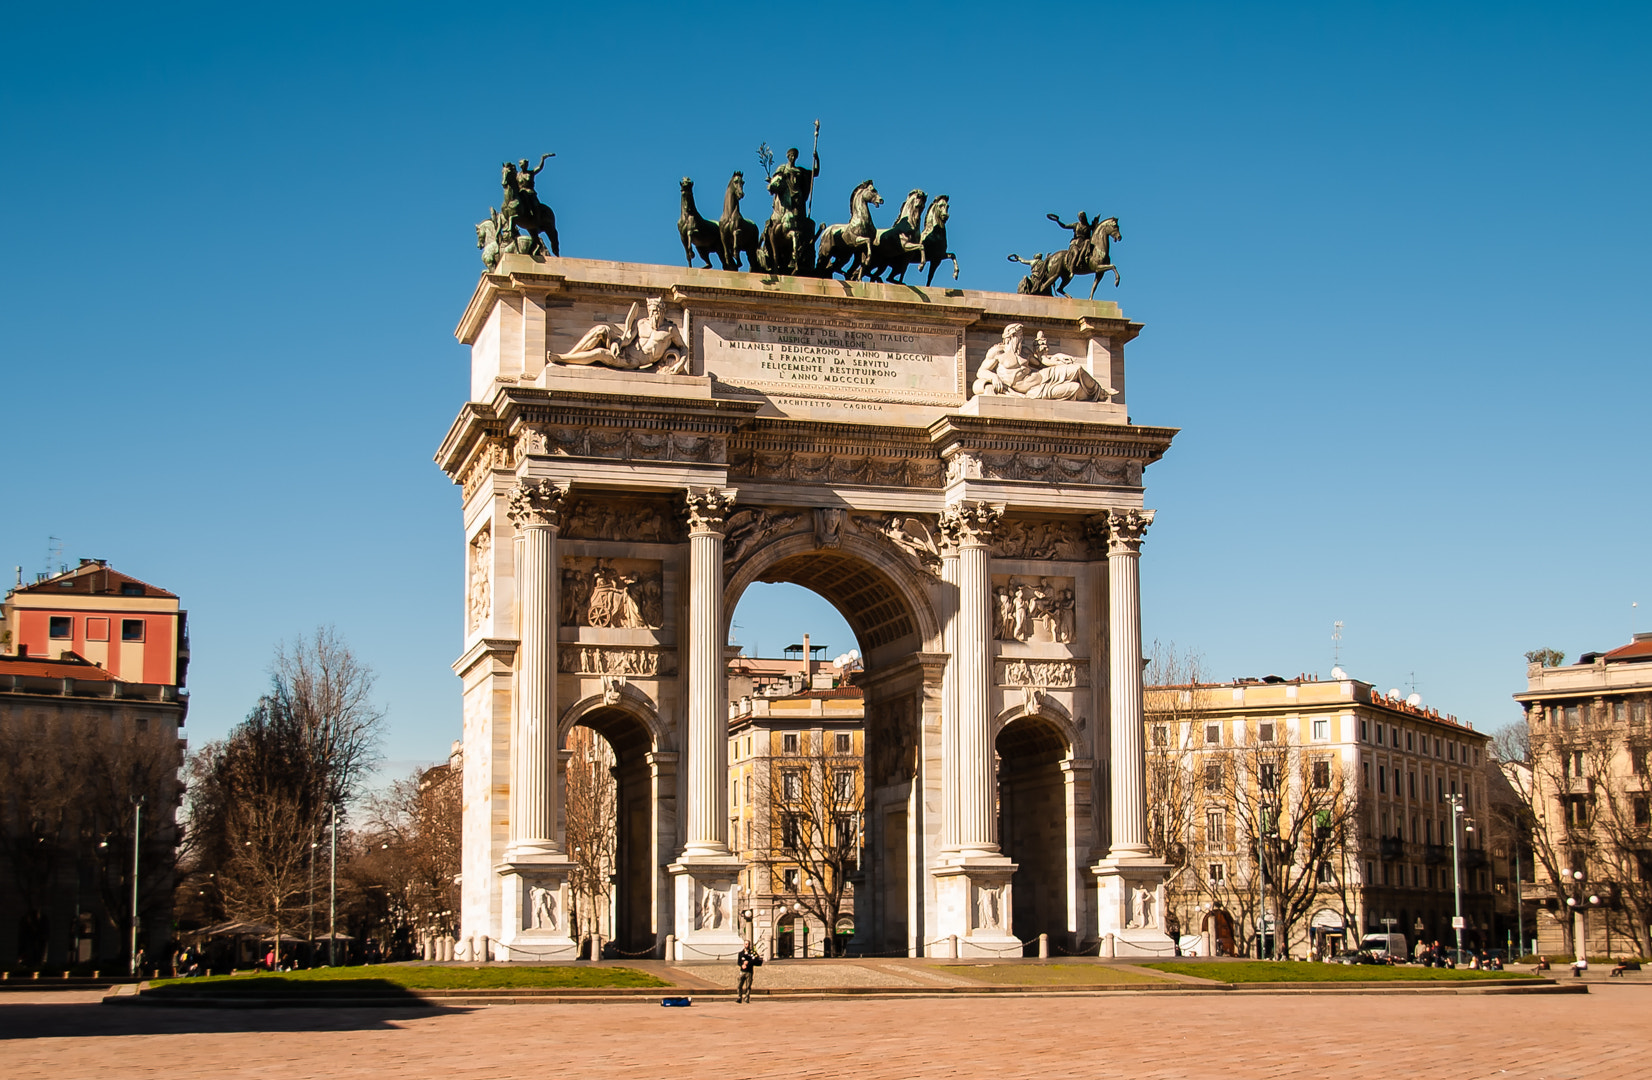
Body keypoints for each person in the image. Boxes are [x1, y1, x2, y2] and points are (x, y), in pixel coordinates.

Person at [735, 939, 762, 1003]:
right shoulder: (741, 953)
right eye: (746, 944)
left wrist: (749, 963)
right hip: (742, 971)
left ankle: (747, 997)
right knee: (739, 985)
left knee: (748, 986)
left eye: (748, 944)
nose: (747, 945)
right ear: (744, 944)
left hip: (749, 971)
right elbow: (738, 962)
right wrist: (742, 965)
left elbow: (757, 960)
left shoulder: (752, 953)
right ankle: (739, 997)